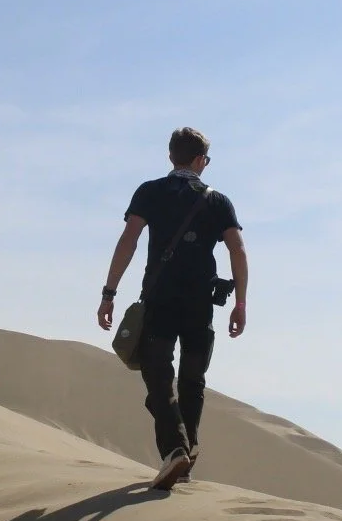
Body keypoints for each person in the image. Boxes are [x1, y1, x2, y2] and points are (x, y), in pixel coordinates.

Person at [98, 127, 248, 490]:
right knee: (193, 381)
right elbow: (237, 251)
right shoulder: (218, 201)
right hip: (200, 303)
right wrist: (240, 302)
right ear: (199, 161)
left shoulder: (150, 191)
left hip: (161, 299)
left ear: (171, 157)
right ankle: (187, 453)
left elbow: (128, 241)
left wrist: (109, 292)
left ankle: (176, 450)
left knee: (158, 376)